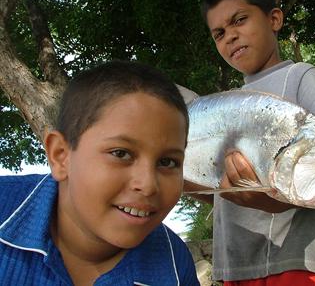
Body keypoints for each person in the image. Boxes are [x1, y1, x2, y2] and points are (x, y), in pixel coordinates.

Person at [190, 0, 315, 285]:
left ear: (274, 19)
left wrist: (262, 199)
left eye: (239, 20)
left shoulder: (299, 76)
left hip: (299, 258)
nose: (230, 36)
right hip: (236, 264)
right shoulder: (223, 106)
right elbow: (222, 194)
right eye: (219, 34)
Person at [0, 61, 200, 286]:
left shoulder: (174, 267)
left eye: (167, 162)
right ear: (60, 155)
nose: (148, 184)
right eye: (121, 153)